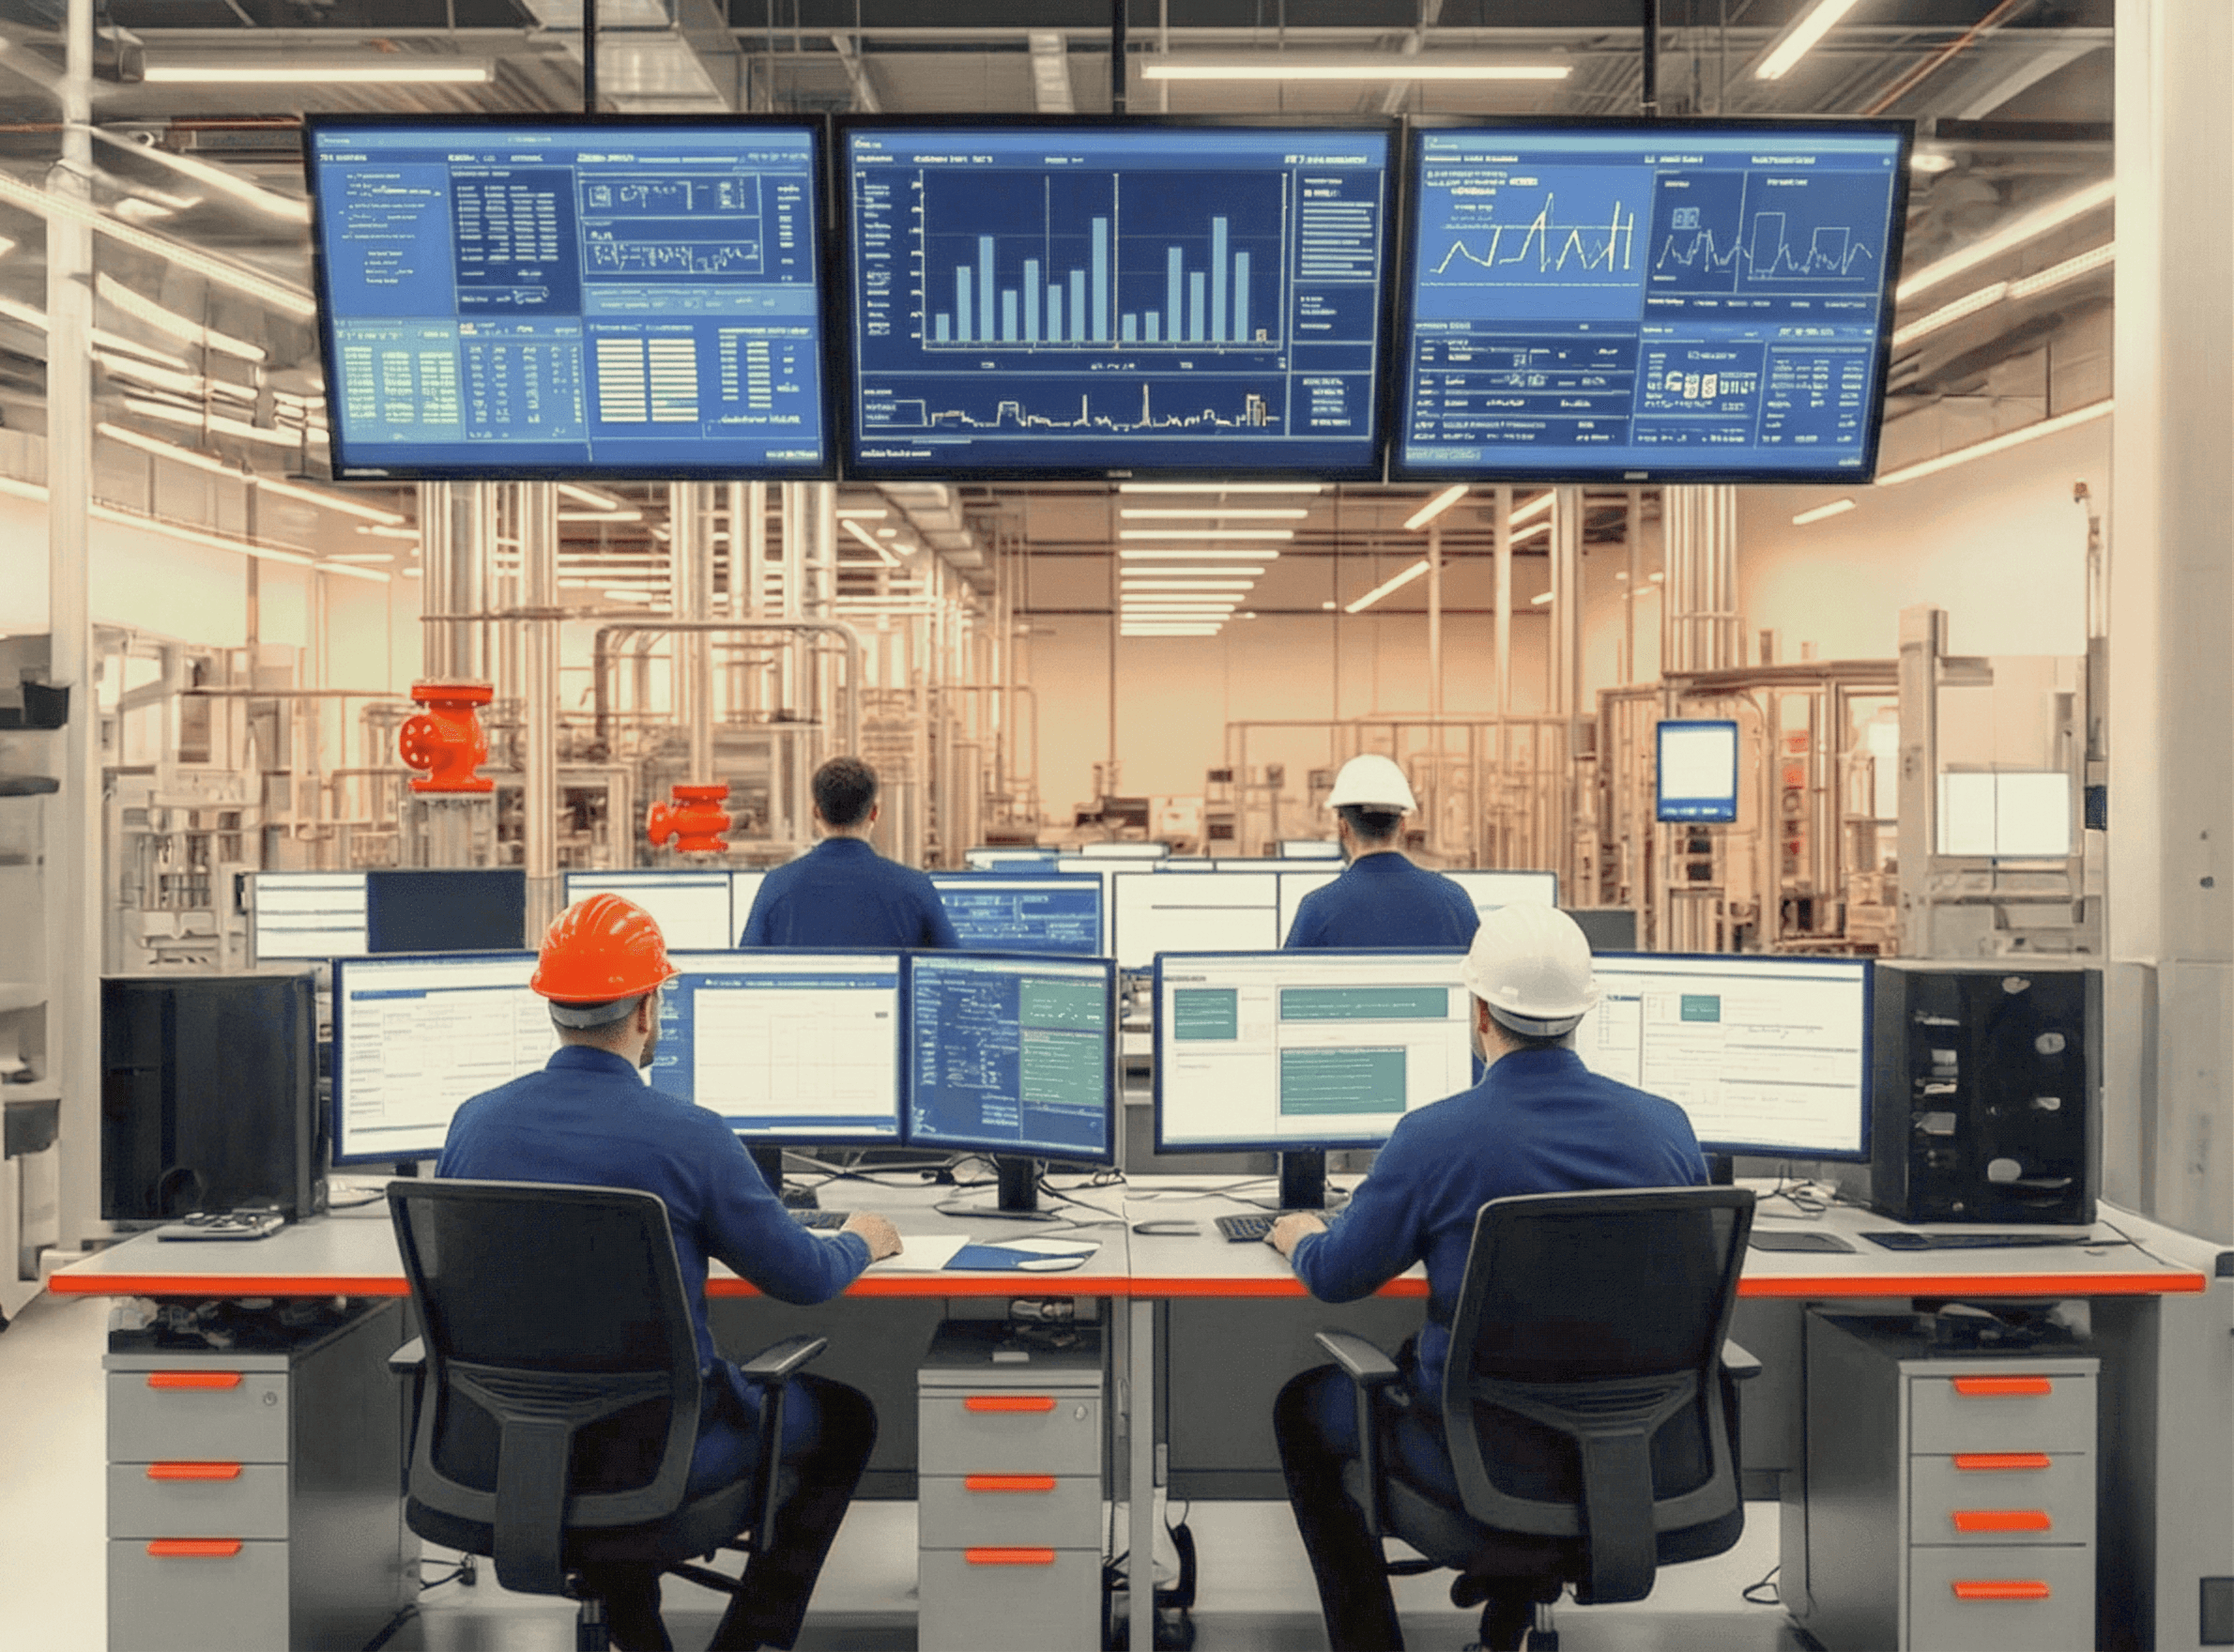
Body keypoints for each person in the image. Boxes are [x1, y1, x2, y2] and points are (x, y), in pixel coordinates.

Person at [437, 893, 905, 1652]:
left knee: (613, 1391)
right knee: (846, 1418)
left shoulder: (474, 1120)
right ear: (649, 1008)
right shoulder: (689, 1136)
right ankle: (744, 1641)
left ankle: (639, 1628)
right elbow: (804, 1278)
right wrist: (860, 1240)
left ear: (552, 1006)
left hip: (501, 1448)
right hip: (655, 1458)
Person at [1264, 905, 1709, 1652]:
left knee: (1303, 1406)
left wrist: (1302, 1237)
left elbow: (1340, 1277)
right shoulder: (1666, 1126)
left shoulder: (1436, 1136)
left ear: (1478, 1012)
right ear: (1583, 1013)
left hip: (1479, 1455)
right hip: (1639, 1451)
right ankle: (1512, 1599)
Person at [739, 756, 963, 949]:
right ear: (874, 813)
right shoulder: (916, 888)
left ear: (816, 812)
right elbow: (953, 973)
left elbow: (744, 977)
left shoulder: (776, 886)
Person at [1283, 754, 1479, 950]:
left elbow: (1287, 978)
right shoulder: (1454, 901)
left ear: (1343, 828)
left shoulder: (1317, 910)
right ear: (1403, 826)